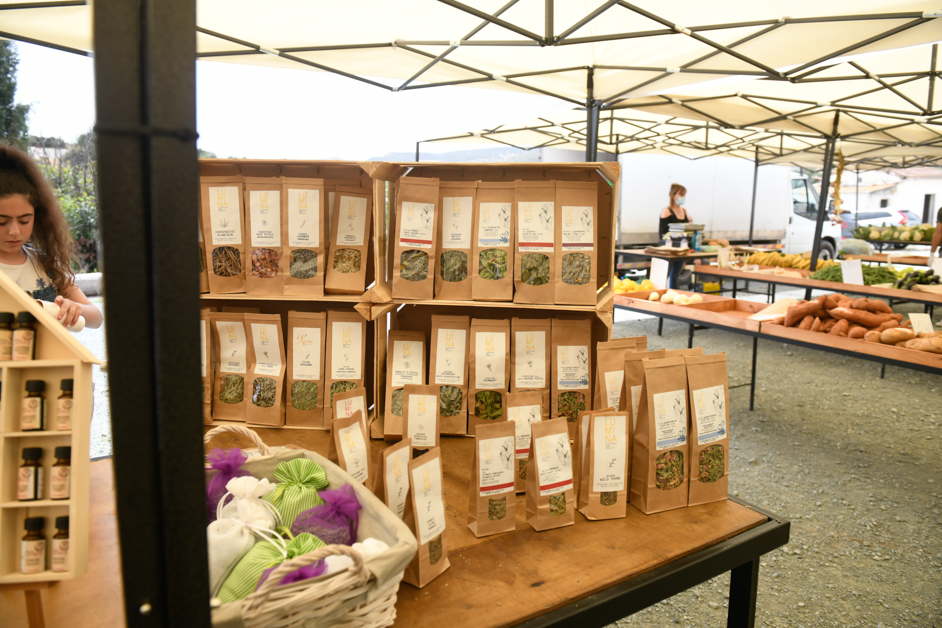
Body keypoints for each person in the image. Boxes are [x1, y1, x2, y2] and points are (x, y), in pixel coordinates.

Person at [0, 144, 103, 329]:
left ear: (37, 217)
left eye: (24, 221)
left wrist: (73, 307)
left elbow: (96, 318)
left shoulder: (44, 264)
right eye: (2, 222)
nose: (14, 231)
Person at [658, 183, 692, 288]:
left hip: (681, 249)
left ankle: (674, 294)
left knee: (675, 276)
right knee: (665, 276)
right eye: (681, 194)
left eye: (684, 195)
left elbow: (688, 229)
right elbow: (663, 233)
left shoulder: (685, 211)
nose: (683, 197)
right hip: (669, 249)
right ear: (673, 196)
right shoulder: (667, 211)